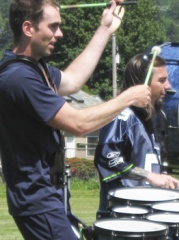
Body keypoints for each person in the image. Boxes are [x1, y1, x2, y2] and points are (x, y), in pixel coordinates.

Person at [0, 1, 152, 239]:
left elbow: (72, 80)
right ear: (28, 28)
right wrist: (127, 98)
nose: (59, 34)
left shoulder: (34, 69)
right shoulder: (19, 78)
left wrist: (104, 29)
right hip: (36, 199)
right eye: (53, 26)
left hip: (45, 196)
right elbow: (78, 124)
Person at [94, 53, 179, 219]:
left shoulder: (156, 117)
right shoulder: (122, 115)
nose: (169, 86)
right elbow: (108, 159)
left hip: (150, 219)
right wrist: (149, 176)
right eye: (162, 80)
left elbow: (152, 174)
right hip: (122, 220)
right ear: (142, 84)